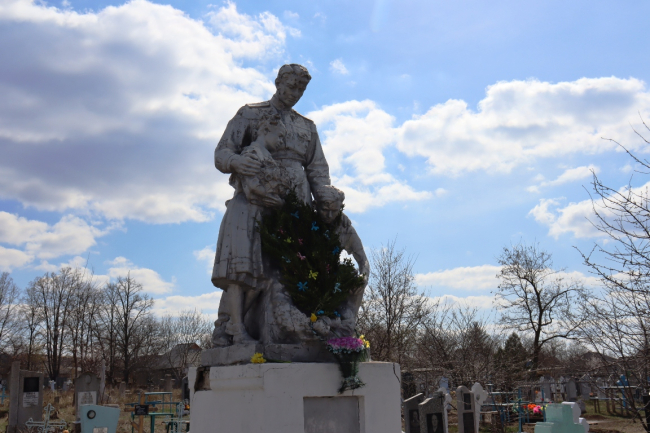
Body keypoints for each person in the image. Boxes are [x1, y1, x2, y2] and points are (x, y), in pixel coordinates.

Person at [211, 64, 331, 346]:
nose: (295, 93)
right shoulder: (250, 113)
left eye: (301, 89)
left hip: (296, 205)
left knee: (291, 266)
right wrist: (236, 161)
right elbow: (222, 152)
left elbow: (317, 170)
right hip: (254, 201)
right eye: (291, 86)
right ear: (278, 83)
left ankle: (289, 327)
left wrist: (325, 198)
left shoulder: (307, 127)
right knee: (246, 263)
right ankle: (227, 326)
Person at [314, 185, 369, 333]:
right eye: (325, 209)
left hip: (333, 279)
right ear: (315, 205)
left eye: (335, 211)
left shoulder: (345, 228)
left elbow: (363, 260)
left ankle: (345, 324)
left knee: (354, 280)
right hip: (306, 278)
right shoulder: (305, 222)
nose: (329, 215)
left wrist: (363, 277)